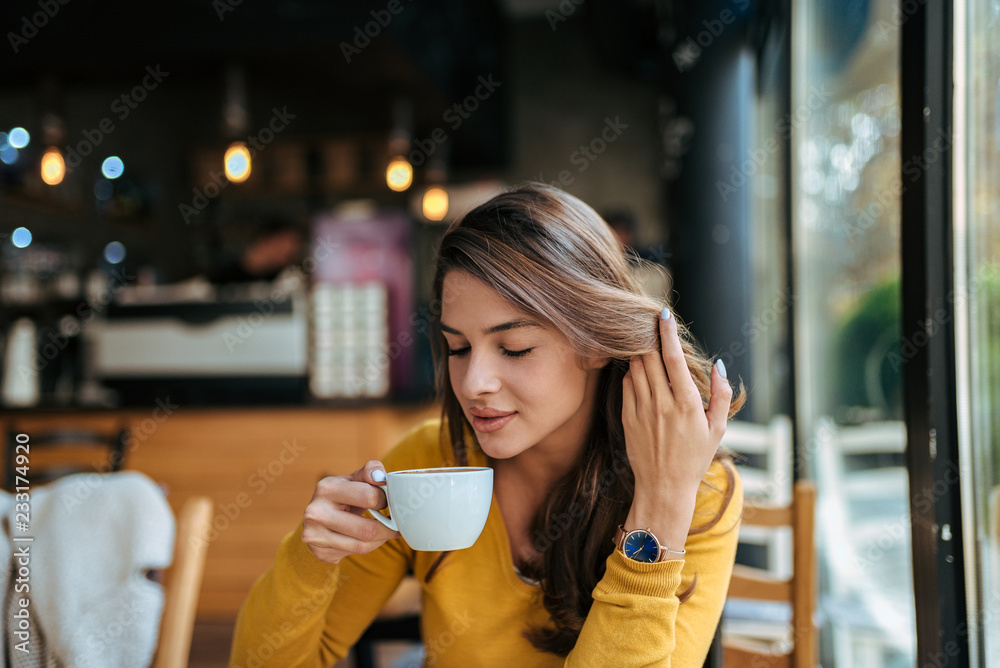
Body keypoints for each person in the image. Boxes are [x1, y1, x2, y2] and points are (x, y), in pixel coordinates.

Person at [229, 183, 746, 667]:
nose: (474, 382)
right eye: (457, 347)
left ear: (594, 343)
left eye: (514, 348)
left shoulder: (698, 490)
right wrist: (308, 559)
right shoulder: (428, 464)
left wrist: (658, 507)